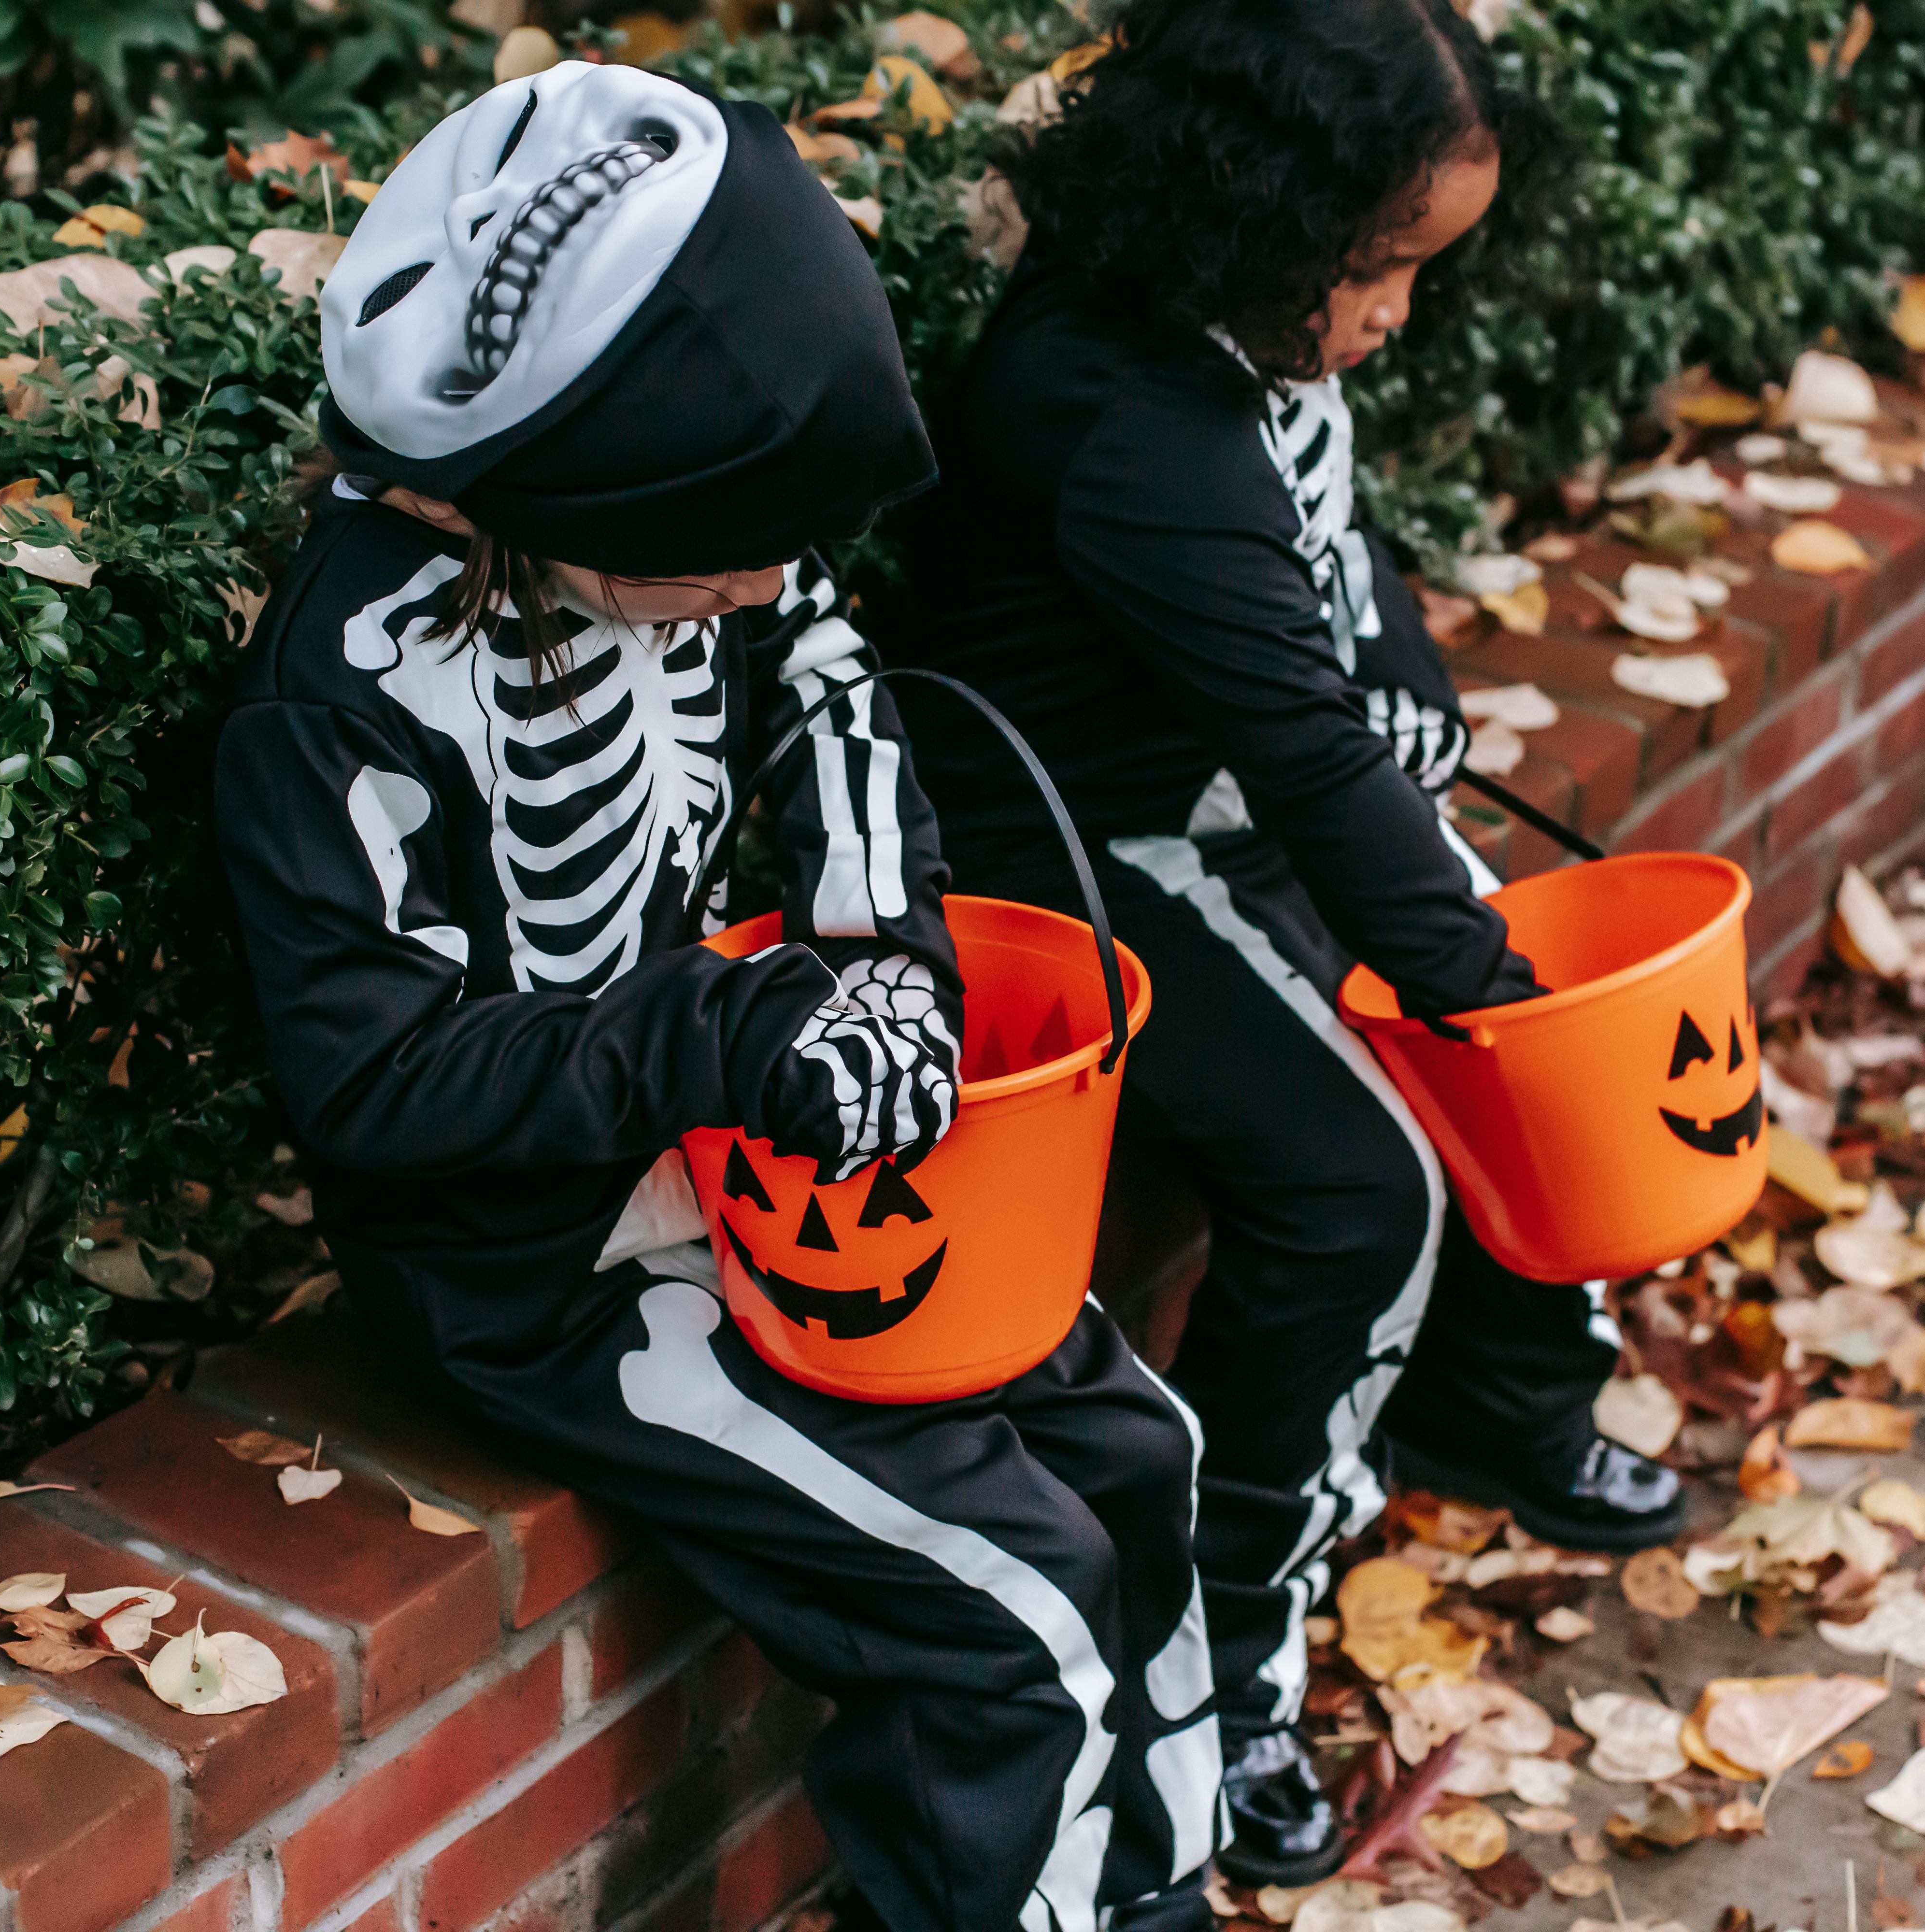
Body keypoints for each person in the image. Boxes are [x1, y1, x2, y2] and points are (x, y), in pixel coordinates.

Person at [216, 62, 1221, 1932]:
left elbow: (839, 691)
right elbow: (371, 1085)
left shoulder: (695, 541)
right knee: (1009, 1616)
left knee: (1134, 1448)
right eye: (737, 547)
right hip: (553, 1268)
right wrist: (723, 1030)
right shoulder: (338, 698)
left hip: (760, 1151)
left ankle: (1165, 1870)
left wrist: (873, 968)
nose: (772, 579)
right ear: (584, 490)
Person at [887, 0, 1683, 1886]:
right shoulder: (1117, 413)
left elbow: (1329, 542)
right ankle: (1230, 1660)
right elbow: (1305, 754)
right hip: (1081, 846)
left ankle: (1499, 1401)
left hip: (1223, 785)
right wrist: (1497, 1002)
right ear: (1254, 212)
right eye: (1376, 269)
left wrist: (1413, 678)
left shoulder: (1226, 322)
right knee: (1360, 1177)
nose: (1395, 314)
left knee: (1466, 986)